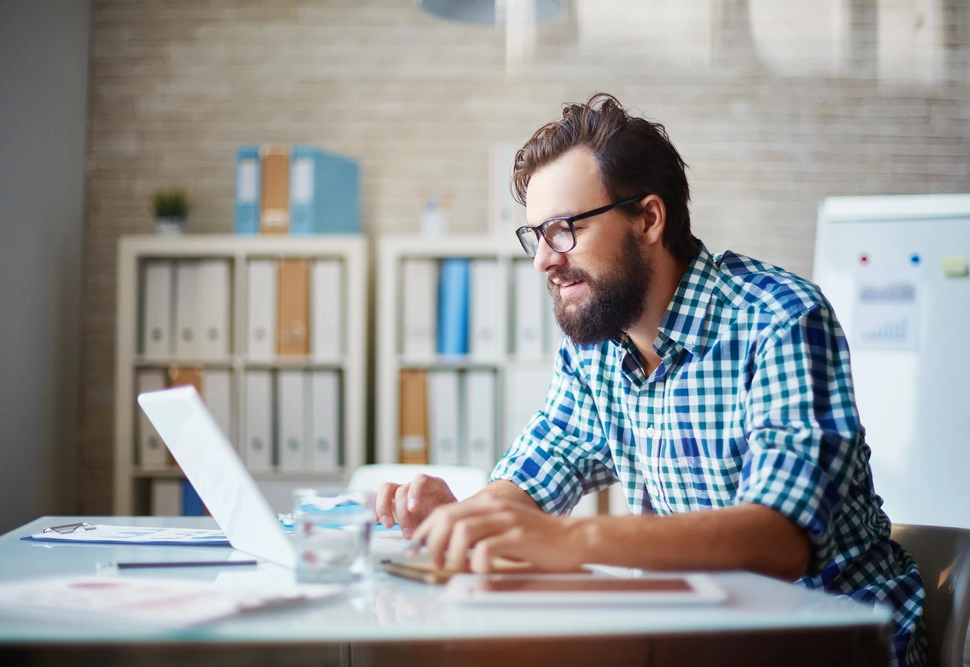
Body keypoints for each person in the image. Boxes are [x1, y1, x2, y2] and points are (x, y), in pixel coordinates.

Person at [376, 93, 926, 666]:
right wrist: (464, 520)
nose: (543, 259)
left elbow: (779, 540)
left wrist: (568, 543)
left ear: (648, 219)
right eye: (536, 235)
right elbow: (537, 477)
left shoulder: (780, 318)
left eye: (564, 229)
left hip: (832, 644)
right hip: (704, 639)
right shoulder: (597, 346)